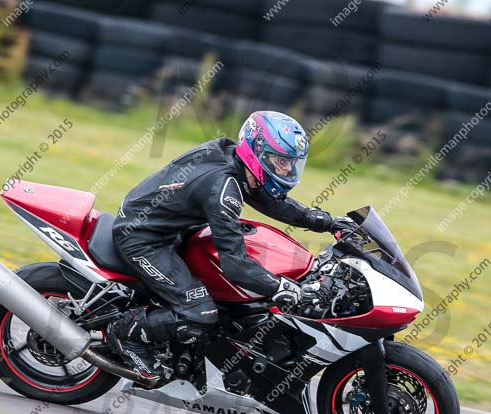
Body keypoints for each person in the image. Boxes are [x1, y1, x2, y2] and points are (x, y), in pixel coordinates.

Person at [107, 111, 356, 379]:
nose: (287, 170)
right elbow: (235, 265)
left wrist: (327, 222)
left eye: (291, 162)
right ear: (257, 151)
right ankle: (124, 334)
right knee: (200, 313)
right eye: (281, 161)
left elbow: (269, 200)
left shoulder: (233, 158)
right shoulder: (222, 189)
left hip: (175, 228)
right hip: (143, 239)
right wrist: (282, 287)